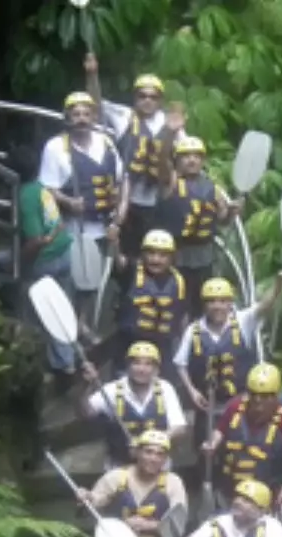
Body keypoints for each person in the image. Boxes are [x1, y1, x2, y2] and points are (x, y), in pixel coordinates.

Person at [84, 54, 188, 260]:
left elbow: (188, 157)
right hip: (126, 199)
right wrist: (92, 75)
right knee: (123, 253)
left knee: (154, 251)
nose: (148, 100)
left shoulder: (170, 123)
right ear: (135, 98)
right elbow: (94, 105)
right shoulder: (123, 115)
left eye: (153, 96)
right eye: (142, 96)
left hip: (157, 200)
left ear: (160, 100)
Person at [38, 91, 126, 336]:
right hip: (74, 224)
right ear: (68, 117)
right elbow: (47, 187)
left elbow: (121, 180)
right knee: (75, 277)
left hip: (104, 222)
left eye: (86, 114)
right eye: (76, 114)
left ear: (93, 116)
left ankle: (83, 320)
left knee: (96, 278)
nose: (81, 119)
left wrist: (120, 213)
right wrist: (67, 201)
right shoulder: (56, 147)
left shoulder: (106, 142)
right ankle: (68, 323)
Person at [174, 271, 282, 443]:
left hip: (241, 404)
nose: (217, 306)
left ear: (230, 303)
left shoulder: (244, 321)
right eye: (212, 301)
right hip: (208, 407)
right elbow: (180, 363)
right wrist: (191, 391)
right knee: (205, 451)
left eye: (222, 301)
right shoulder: (194, 330)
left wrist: (278, 286)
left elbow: (265, 306)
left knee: (239, 447)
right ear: (205, 305)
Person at [203, 363, 282, 516]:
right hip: (231, 496)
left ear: (275, 396)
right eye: (253, 395)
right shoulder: (235, 407)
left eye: (264, 397)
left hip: (268, 502)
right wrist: (213, 443)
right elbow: (220, 430)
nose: (258, 402)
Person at [155, 136, 244, 318]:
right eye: (186, 156)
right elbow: (162, 166)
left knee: (199, 302)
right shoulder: (170, 182)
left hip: (204, 255)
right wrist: (169, 135)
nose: (192, 160)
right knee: (175, 302)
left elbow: (222, 220)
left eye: (196, 156)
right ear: (177, 160)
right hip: (176, 254)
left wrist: (232, 212)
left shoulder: (213, 188)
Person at [11, 144, 79, 377]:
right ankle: (66, 359)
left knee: (35, 305)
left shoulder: (26, 196)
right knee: (63, 308)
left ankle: (25, 352)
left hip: (46, 259)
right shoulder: (43, 187)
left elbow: (36, 239)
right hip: (63, 252)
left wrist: (20, 264)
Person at [80, 341, 187, 468]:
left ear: (157, 370)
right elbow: (86, 413)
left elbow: (179, 427)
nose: (142, 369)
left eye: (148, 364)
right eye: (136, 363)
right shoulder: (112, 389)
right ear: (128, 366)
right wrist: (85, 386)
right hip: (119, 465)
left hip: (157, 466)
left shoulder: (165, 388)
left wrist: (148, 443)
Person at [117, 229, 187, 383]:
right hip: (131, 342)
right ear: (143, 255)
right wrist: (113, 242)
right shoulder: (133, 272)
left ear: (172, 258)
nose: (156, 260)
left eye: (162, 255)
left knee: (165, 383)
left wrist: (182, 343)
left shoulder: (179, 281)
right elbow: (119, 262)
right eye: (151, 253)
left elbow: (181, 315)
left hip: (163, 345)